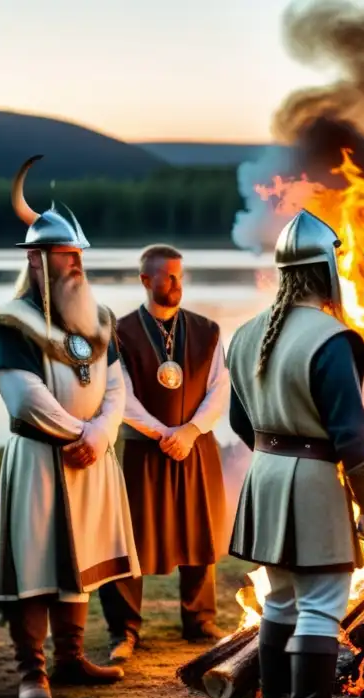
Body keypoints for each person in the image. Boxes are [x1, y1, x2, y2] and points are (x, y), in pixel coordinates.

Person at [0, 154, 138, 698]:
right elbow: (25, 395)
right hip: (42, 459)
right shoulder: (11, 322)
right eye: (65, 257)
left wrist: (102, 433)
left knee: (82, 562)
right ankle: (32, 672)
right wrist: (81, 433)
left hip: (91, 457)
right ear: (38, 261)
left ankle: (70, 659)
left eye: (78, 257)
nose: (75, 266)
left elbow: (117, 386)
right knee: (37, 563)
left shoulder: (99, 319)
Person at [224, 209, 364, 698]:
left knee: (280, 602)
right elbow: (352, 435)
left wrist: (276, 462)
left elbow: (239, 423)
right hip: (313, 481)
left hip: (264, 477)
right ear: (326, 270)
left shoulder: (244, 335)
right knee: (319, 606)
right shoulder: (333, 338)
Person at [99, 244, 231, 661]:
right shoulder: (119, 332)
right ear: (145, 280)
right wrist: (162, 433)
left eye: (179, 275)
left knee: (199, 528)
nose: (176, 283)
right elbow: (120, 394)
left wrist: (189, 431)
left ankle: (200, 621)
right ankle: (124, 630)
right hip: (144, 450)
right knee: (131, 536)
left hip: (194, 446)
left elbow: (219, 389)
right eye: (167, 276)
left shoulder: (207, 330)